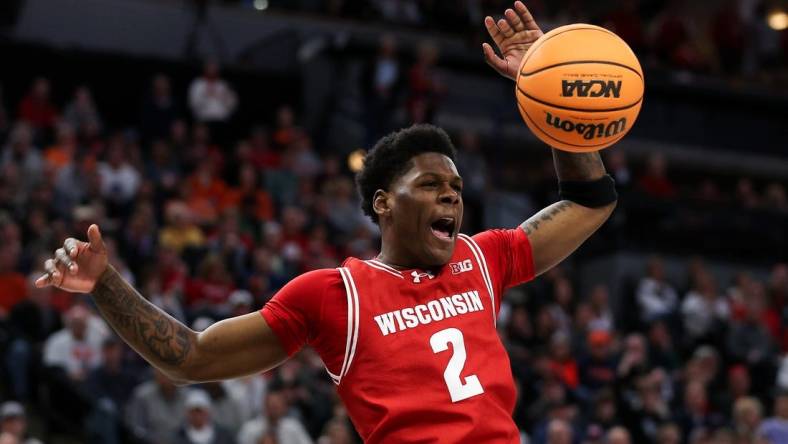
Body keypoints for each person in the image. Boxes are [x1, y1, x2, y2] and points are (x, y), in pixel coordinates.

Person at [34, 3, 618, 442]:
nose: (451, 199)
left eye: (457, 189)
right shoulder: (334, 295)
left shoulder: (483, 258)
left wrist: (551, 91)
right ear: (385, 203)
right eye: (432, 186)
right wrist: (104, 285)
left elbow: (591, 200)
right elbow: (191, 357)